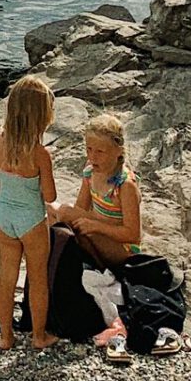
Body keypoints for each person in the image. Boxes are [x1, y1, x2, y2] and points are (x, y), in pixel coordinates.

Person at [0, 74, 59, 351]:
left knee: (6, 278)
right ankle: (38, 336)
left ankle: (6, 336)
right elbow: (50, 196)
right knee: (38, 278)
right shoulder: (40, 153)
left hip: (4, 218)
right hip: (31, 221)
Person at [50, 114, 142, 271]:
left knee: (72, 221)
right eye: (89, 149)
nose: (93, 157)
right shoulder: (90, 172)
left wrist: (96, 226)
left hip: (121, 248)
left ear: (118, 151)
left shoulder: (125, 186)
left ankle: (72, 259)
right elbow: (80, 209)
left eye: (100, 152)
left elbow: (133, 235)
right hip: (96, 229)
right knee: (51, 209)